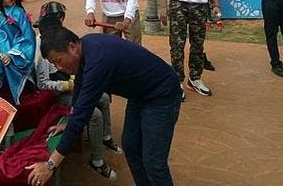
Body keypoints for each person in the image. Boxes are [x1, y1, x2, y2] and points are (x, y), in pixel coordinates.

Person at [26, 28, 182, 186]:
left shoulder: (98, 61)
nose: (58, 68)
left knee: (153, 163)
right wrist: (69, 122)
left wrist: (50, 165)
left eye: (58, 61)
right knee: (131, 147)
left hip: (161, 94)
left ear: (72, 47)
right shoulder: (86, 46)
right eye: (53, 64)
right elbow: (79, 85)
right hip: (140, 95)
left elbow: (82, 115)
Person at [36, 2, 120, 180]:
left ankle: (105, 136)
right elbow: (42, 83)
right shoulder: (43, 47)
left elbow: (79, 68)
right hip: (57, 94)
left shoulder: (63, 40)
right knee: (93, 114)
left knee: (103, 98)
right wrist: (67, 86)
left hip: (72, 85)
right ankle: (97, 160)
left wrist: (74, 82)